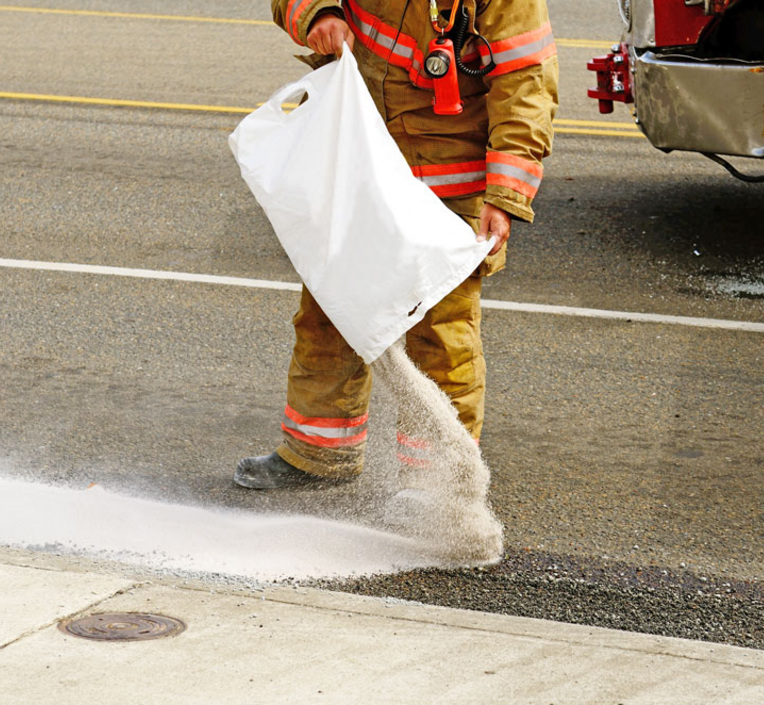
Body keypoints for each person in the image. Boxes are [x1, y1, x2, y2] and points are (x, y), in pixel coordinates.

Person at [234, 0, 559, 489]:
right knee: (330, 307)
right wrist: (318, 15)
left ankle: (439, 486)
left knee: (443, 334)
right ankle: (318, 454)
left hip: (449, 181)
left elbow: (525, 82)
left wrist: (506, 195)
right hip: (362, 160)